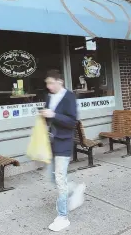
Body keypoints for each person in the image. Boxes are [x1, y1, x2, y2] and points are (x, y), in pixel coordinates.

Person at [40, 69, 86, 232]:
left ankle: (62, 217)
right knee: (53, 178)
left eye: (51, 83)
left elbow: (72, 121)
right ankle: (75, 189)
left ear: (60, 82)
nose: (48, 86)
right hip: (51, 142)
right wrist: (45, 115)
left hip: (64, 142)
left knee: (59, 178)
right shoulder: (49, 97)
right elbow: (49, 118)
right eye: (47, 83)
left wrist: (53, 114)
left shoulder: (69, 97)